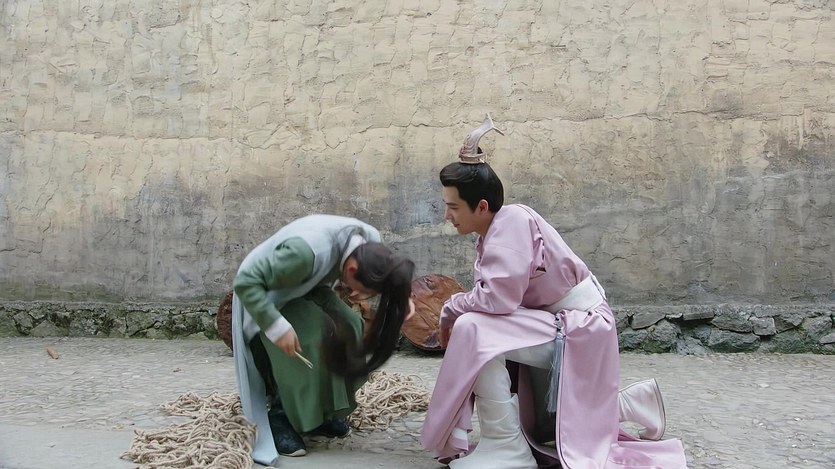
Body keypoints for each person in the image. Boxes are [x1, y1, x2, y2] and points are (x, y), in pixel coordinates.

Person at [420, 115, 689, 468]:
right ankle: (630, 403)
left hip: (579, 325)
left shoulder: (511, 222)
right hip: (563, 322)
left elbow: (498, 300)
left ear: (481, 206)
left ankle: (506, 446)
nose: (447, 215)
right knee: (483, 337)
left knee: (474, 328)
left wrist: (453, 306)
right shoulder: (498, 229)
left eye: (453, 207)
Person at [231, 214, 415, 466]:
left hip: (309, 284)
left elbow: (389, 273)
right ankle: (281, 416)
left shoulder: (371, 240)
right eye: (366, 290)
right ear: (352, 270)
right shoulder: (303, 254)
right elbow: (245, 282)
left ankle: (321, 411)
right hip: (264, 295)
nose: (360, 295)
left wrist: (402, 296)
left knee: (351, 324)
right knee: (310, 334)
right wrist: (276, 326)